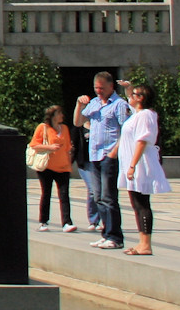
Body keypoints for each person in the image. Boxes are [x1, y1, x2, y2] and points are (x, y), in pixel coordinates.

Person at [76, 71, 131, 249]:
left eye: (102, 88)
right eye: (96, 88)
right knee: (98, 196)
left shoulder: (119, 104)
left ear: (110, 87)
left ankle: (115, 236)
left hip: (109, 154)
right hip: (95, 154)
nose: (99, 91)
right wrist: (79, 104)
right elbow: (78, 122)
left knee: (109, 197)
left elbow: (127, 129)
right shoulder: (94, 103)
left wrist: (115, 151)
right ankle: (106, 232)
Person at [119, 83, 171, 257]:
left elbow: (142, 140)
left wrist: (133, 165)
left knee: (142, 203)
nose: (130, 97)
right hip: (133, 163)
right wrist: (129, 88)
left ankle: (146, 244)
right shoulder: (138, 114)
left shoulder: (146, 115)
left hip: (140, 163)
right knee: (136, 204)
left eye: (133, 95)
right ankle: (142, 242)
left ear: (140, 98)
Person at [30, 104, 75, 232]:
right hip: (46, 167)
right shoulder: (43, 128)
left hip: (63, 166)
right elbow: (34, 145)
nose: (62, 115)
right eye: (59, 113)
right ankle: (43, 221)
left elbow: (67, 147)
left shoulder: (65, 128)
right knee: (46, 193)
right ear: (53, 116)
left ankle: (67, 222)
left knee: (64, 194)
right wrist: (50, 148)